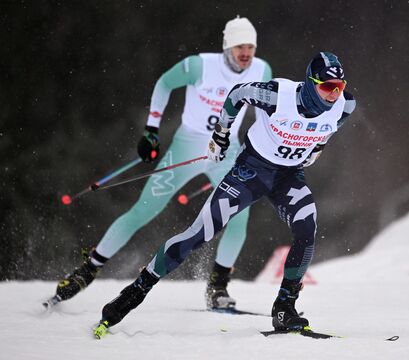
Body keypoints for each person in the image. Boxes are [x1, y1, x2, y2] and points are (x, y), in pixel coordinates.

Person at [93, 51, 356, 338]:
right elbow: (237, 94)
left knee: (307, 228)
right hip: (250, 172)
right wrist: (222, 134)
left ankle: (284, 309)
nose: (334, 94)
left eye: (339, 87)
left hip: (288, 177)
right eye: (328, 87)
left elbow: (333, 123)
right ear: (310, 82)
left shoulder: (346, 104)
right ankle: (135, 291)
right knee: (200, 233)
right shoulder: (277, 95)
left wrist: (317, 146)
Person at [47, 17, 272, 310]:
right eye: (240, 46)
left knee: (240, 216)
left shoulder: (261, 69)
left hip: (226, 153)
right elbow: (164, 83)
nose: (246, 53)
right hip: (186, 149)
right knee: (142, 212)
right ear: (227, 46)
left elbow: (266, 109)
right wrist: (151, 130)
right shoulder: (199, 65)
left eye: (251, 47)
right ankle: (86, 271)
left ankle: (217, 287)